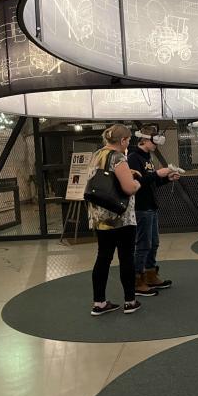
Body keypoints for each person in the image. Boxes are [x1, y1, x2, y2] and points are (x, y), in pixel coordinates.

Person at [87, 124, 142, 316]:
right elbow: (128, 188)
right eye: (128, 140)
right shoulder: (118, 157)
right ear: (123, 140)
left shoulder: (97, 155)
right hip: (120, 218)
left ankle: (99, 302)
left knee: (103, 257)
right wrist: (136, 183)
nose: (128, 143)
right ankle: (130, 301)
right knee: (126, 258)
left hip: (100, 218)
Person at [128, 125, 181, 296]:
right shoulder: (133, 158)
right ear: (144, 139)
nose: (156, 143)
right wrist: (158, 174)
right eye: (154, 140)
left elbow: (152, 182)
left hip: (151, 206)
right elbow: (137, 183)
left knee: (153, 243)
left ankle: (150, 274)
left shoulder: (147, 158)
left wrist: (167, 178)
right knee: (143, 244)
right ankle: (137, 280)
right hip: (141, 207)